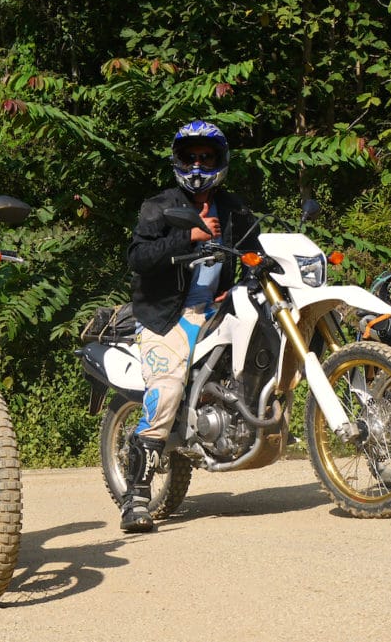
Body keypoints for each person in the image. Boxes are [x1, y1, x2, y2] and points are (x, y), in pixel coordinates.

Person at [122, 120, 258, 533]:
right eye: (191, 157)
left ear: (219, 160)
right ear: (179, 160)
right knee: (167, 388)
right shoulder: (159, 206)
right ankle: (136, 497)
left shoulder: (234, 208)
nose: (198, 164)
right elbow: (139, 259)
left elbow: (255, 251)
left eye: (206, 157)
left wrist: (245, 280)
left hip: (222, 309)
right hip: (168, 315)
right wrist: (191, 237)